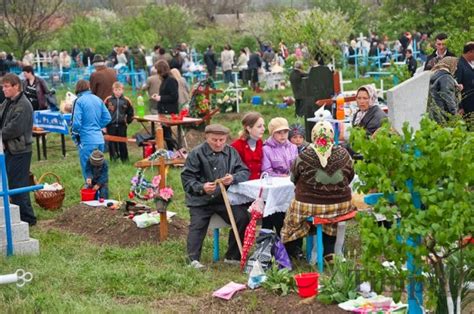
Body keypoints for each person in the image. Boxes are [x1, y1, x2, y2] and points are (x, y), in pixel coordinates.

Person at [281, 121, 354, 260]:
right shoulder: (344, 154)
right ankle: (329, 250)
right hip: (341, 205)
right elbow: (350, 176)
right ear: (332, 135)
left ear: (313, 135)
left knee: (292, 215)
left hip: (310, 205)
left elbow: (294, 178)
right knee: (331, 215)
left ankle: (291, 249)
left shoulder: (304, 155)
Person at [181, 124, 250, 269]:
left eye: (222, 140)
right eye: (214, 140)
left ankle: (233, 256)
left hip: (223, 199)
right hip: (200, 200)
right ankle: (192, 260)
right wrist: (202, 187)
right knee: (197, 225)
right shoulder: (196, 153)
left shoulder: (231, 152)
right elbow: (187, 179)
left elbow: (244, 171)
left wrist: (233, 178)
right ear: (206, 137)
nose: (218, 143)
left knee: (242, 217)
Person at [0, 73, 36, 225]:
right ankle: (17, 215)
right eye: (2, 87)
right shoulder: (8, 102)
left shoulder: (23, 104)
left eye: (7, 86)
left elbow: (15, 128)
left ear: (16, 87)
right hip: (10, 149)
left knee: (19, 185)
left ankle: (27, 218)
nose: (3, 89)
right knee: (11, 183)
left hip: (20, 150)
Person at [261, 117, 298, 236]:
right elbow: (266, 171)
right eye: (279, 132)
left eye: (285, 132)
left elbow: (297, 167)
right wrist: (279, 176)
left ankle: (291, 244)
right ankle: (276, 242)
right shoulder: (266, 149)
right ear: (272, 133)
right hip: (274, 189)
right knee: (276, 215)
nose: (283, 135)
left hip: (290, 187)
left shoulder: (293, 147)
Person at [71, 79, 111, 180]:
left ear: (77, 89)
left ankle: (90, 194)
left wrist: (75, 135)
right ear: (88, 87)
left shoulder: (78, 101)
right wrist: (97, 126)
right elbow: (108, 118)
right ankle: (100, 194)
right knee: (99, 170)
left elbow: (76, 123)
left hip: (86, 140)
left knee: (88, 172)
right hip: (99, 140)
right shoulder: (98, 99)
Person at [151, 60, 179, 150]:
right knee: (165, 134)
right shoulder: (165, 80)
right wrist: (158, 96)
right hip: (163, 110)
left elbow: (174, 97)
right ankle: (169, 151)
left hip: (169, 111)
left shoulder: (171, 80)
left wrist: (160, 98)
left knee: (167, 134)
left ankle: (173, 151)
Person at [104, 82, 134, 162]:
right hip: (111, 125)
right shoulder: (108, 100)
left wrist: (127, 122)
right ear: (113, 90)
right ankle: (113, 159)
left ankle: (125, 159)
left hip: (122, 125)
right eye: (116, 90)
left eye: (119, 90)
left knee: (122, 142)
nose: (118, 92)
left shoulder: (126, 100)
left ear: (122, 90)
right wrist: (104, 124)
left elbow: (130, 113)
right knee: (112, 143)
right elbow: (103, 112)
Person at [231, 112, 265, 180]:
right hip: (243, 186)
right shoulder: (236, 146)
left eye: (263, 125)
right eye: (259, 126)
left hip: (260, 183)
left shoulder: (260, 143)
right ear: (249, 128)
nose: (263, 129)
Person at [428, 56, 459, 124]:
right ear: (451, 65)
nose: (456, 68)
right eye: (455, 65)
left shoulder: (436, 75)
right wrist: (455, 114)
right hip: (443, 115)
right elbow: (448, 97)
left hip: (434, 113)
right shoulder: (446, 77)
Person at [455, 42, 474, 119]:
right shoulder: (460, 65)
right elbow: (457, 86)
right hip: (466, 106)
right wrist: (460, 106)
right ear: (470, 52)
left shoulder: (471, 63)